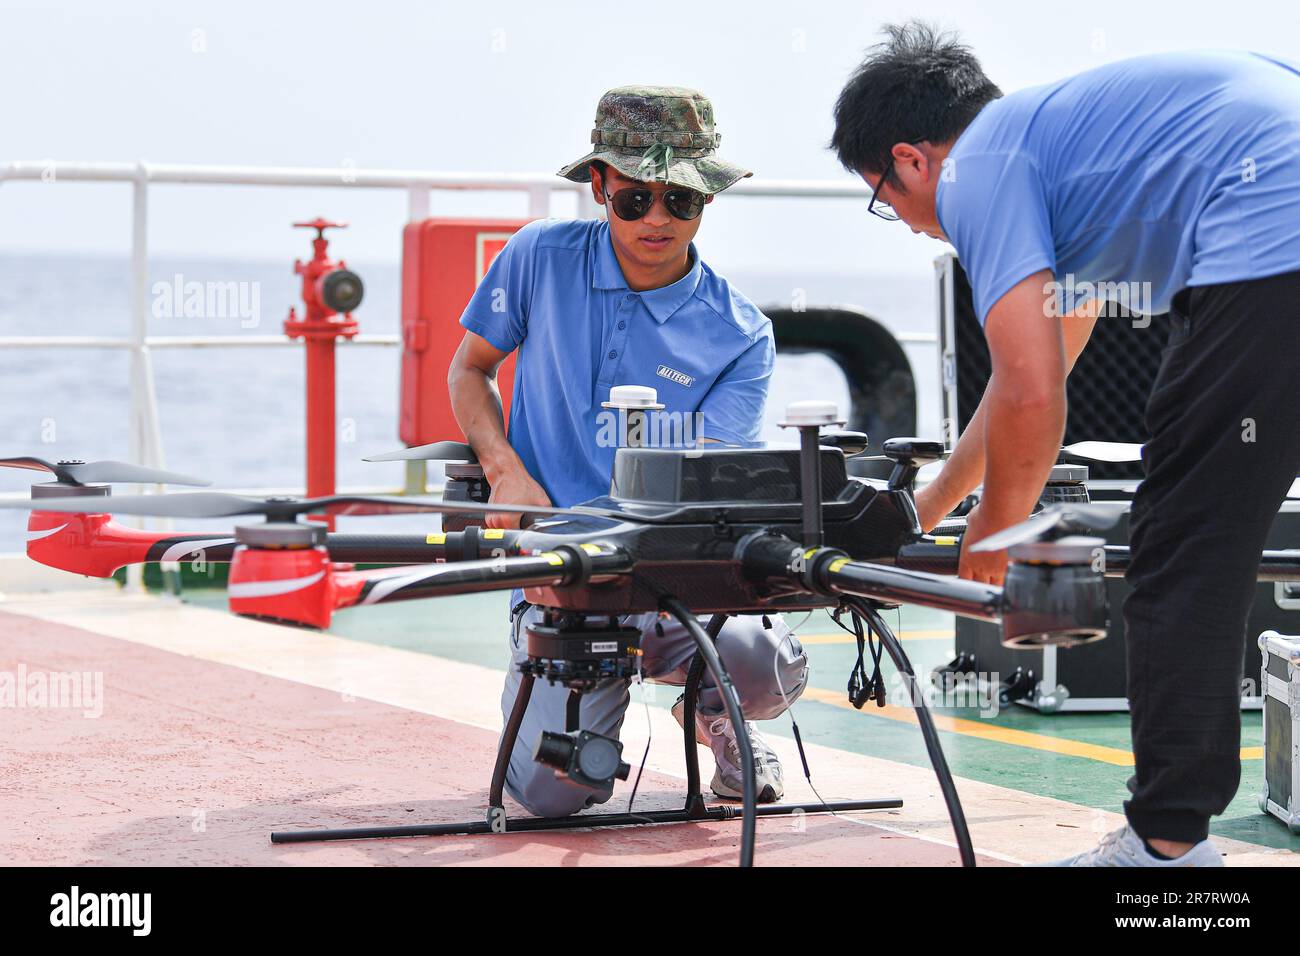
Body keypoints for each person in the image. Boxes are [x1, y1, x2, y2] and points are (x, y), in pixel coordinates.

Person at [832, 22, 1300, 866]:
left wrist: (1002, 529)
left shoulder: (979, 171)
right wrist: (933, 507)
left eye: (883, 196)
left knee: (1182, 543)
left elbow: (1036, 393)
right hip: (1273, 203)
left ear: (911, 159)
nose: (902, 223)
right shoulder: (1059, 157)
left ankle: (1167, 848)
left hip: (1268, 227)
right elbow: (1033, 376)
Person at [447, 85, 807, 816]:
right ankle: (543, 670)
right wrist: (504, 472)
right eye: (634, 199)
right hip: (559, 574)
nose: (657, 220)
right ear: (600, 186)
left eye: (681, 201)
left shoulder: (740, 334)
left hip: (672, 577)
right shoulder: (536, 258)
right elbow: (469, 369)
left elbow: (714, 487)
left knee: (761, 665)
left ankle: (709, 708)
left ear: (707, 201)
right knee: (551, 798)